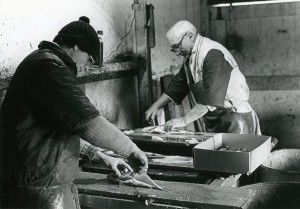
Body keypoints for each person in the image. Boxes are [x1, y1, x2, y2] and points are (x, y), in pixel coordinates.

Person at [0, 16, 148, 209]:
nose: (88, 65)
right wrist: (132, 150)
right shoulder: (48, 66)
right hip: (36, 192)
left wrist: (100, 156)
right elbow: (88, 123)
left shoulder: (43, 63)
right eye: (90, 58)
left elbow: (59, 128)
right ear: (76, 46)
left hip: (38, 186)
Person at [145, 20, 261, 135]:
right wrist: (155, 106)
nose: (176, 53)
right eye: (173, 49)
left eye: (177, 46)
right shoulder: (190, 58)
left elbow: (210, 99)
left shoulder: (212, 54)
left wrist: (184, 120)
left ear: (190, 36)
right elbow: (177, 86)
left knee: (237, 153)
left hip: (235, 119)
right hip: (213, 120)